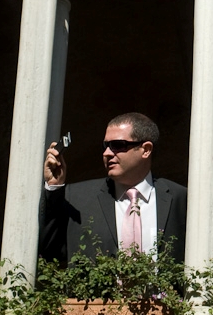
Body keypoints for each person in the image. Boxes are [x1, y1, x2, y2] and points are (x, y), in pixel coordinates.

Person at [39, 112, 187, 264]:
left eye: (117, 145)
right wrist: (54, 188)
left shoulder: (180, 198)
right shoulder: (78, 197)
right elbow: (50, 252)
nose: (107, 153)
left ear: (146, 149)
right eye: (106, 146)